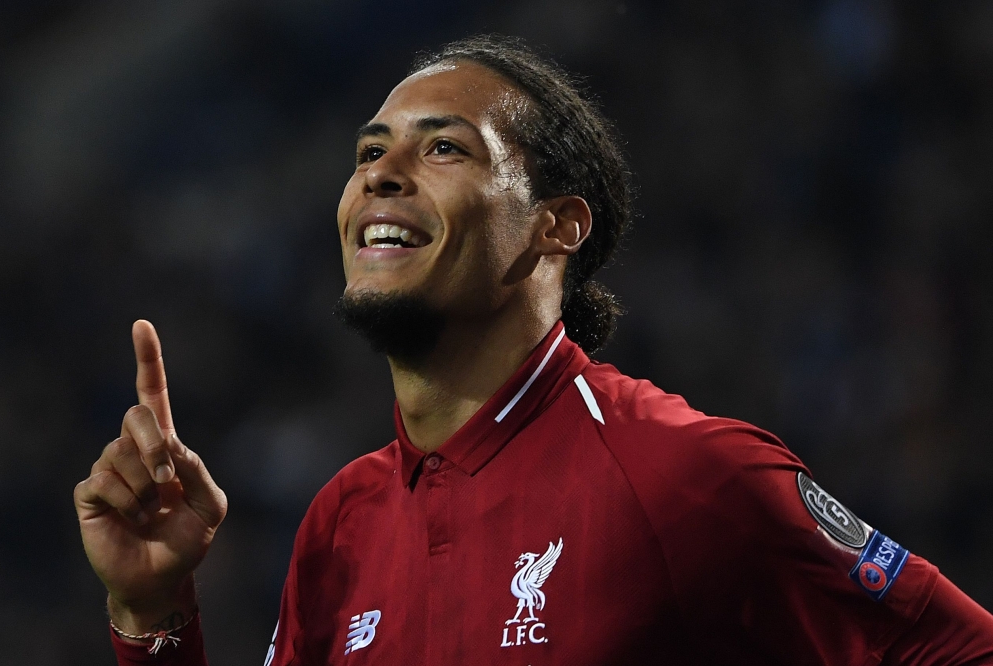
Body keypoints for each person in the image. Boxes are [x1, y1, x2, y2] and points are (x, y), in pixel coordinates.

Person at [74, 35, 993, 665]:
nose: (379, 174)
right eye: (368, 152)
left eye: (445, 150)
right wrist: (152, 614)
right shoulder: (338, 527)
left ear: (554, 227)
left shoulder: (686, 476)